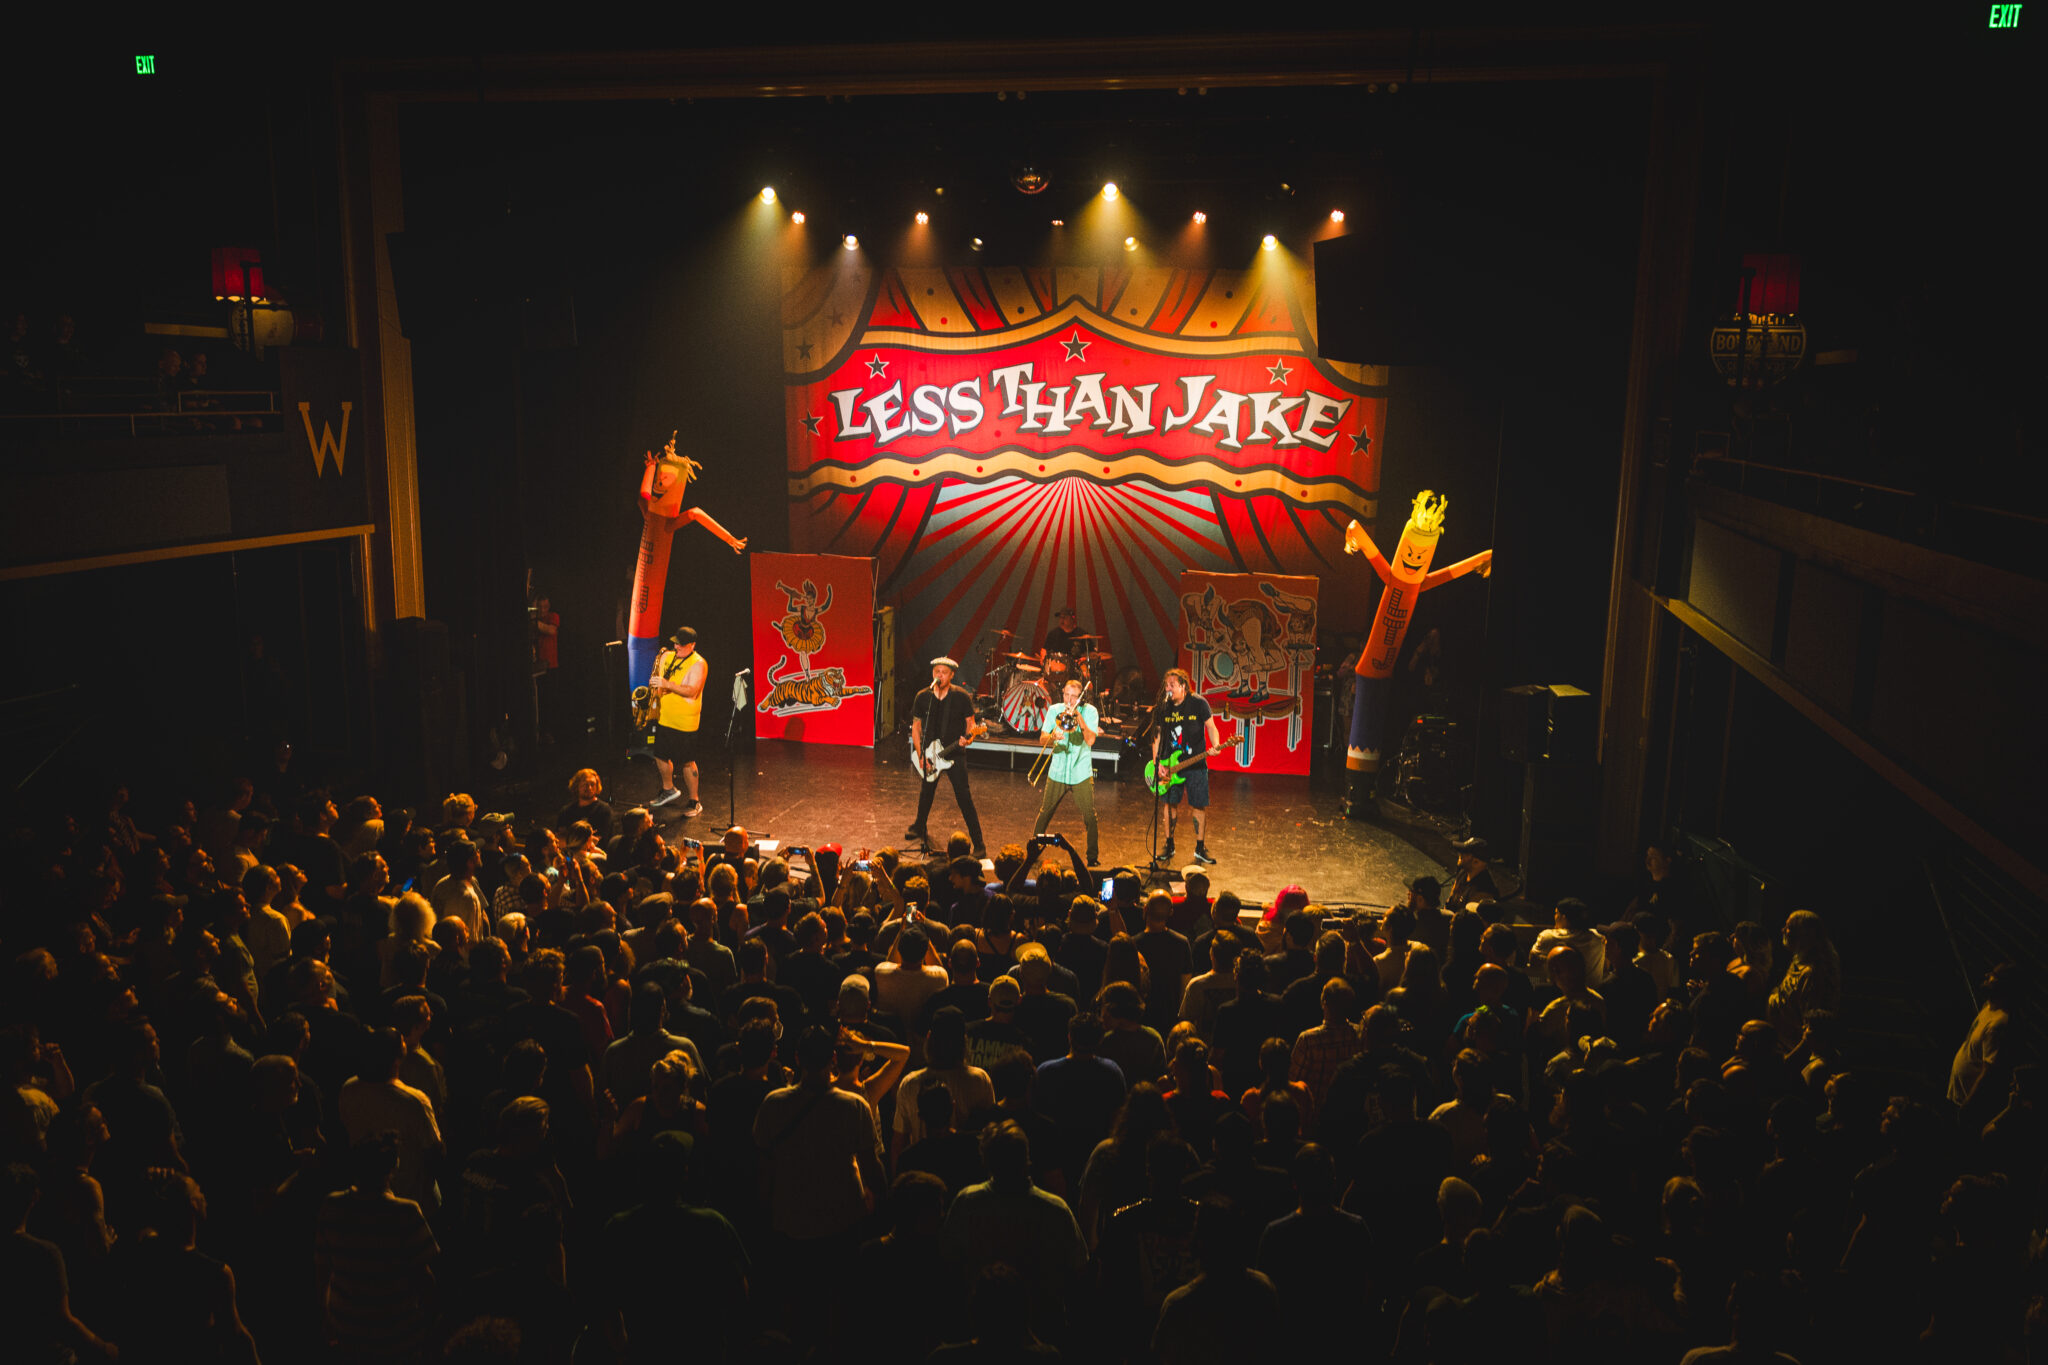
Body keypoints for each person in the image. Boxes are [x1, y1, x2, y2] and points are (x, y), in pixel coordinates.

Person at [907, 656, 988, 856]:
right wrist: (920, 755)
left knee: (964, 797)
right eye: (937, 672)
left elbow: (971, 724)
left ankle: (979, 844)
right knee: (926, 792)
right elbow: (916, 727)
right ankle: (919, 826)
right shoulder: (923, 697)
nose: (939, 675)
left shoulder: (961, 696)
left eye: (944, 672)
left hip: (954, 753)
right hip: (929, 753)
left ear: (951, 675)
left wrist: (969, 739)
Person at [1151, 668, 1222, 866]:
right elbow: (1156, 736)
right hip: (1169, 765)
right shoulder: (1163, 707)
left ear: (1183, 686)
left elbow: (1211, 727)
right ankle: (1169, 845)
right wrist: (1157, 763)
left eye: (1172, 685)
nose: (1168, 689)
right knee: (1169, 804)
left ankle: (1200, 847)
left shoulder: (1198, 703)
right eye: (1166, 685)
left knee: (1198, 804)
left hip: (1195, 764)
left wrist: (1216, 745)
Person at [1032, 677, 1103, 866]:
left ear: (1081, 698)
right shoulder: (1055, 710)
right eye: (1066, 695)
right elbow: (1042, 739)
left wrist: (1079, 717)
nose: (1069, 700)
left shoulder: (1090, 711)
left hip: (1081, 772)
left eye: (1074, 697)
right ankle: (1033, 851)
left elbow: (1090, 740)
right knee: (1045, 812)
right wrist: (1052, 736)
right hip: (1058, 771)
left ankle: (1092, 858)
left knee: (1090, 816)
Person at [648, 626, 707, 816]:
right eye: (675, 643)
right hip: (665, 716)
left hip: (685, 721)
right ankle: (669, 789)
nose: (676, 647)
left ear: (692, 645)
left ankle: (694, 801)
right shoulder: (667, 656)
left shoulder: (698, 663)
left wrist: (667, 684)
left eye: (681, 645)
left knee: (687, 762)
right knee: (660, 755)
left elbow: (692, 691)